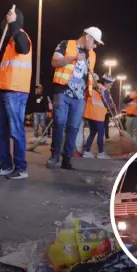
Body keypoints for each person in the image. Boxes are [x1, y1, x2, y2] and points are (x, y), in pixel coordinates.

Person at [47, 27, 104, 170]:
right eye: (95, 42)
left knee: (73, 127)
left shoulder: (92, 55)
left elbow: (89, 74)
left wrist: (98, 84)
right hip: (63, 92)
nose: (95, 46)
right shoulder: (66, 44)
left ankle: (67, 159)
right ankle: (54, 156)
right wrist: (73, 58)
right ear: (88, 37)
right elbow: (54, 62)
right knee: (59, 124)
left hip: (80, 97)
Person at [0, 7, 32, 180]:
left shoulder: (21, 36)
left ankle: (21, 168)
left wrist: (13, 24)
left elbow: (24, 48)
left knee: (16, 130)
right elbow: (4, 70)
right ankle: (6, 165)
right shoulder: (8, 44)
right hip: (3, 90)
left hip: (16, 91)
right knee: (0, 130)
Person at [83, 74, 115, 159]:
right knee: (101, 133)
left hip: (90, 114)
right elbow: (106, 103)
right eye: (110, 84)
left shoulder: (93, 88)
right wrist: (112, 106)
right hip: (98, 115)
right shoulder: (105, 90)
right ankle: (101, 153)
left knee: (92, 133)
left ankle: (87, 152)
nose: (111, 86)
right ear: (105, 82)